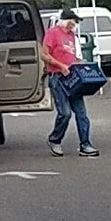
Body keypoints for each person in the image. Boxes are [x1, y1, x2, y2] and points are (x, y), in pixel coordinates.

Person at [43, 9, 97, 158]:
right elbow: (44, 54)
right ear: (67, 21)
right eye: (74, 21)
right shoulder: (53, 33)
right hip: (58, 77)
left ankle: (85, 144)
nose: (76, 24)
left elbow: (71, 56)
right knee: (65, 113)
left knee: (81, 113)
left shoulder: (72, 36)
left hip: (72, 78)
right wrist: (60, 66)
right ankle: (55, 139)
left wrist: (79, 63)